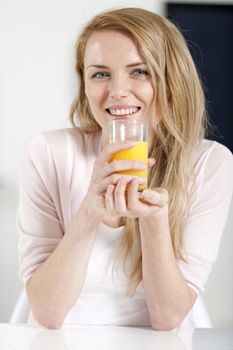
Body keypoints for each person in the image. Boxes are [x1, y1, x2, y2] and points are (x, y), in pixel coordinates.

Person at [17, 7, 233, 330]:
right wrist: (90, 211)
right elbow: (47, 313)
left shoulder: (209, 163)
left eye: (140, 71)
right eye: (100, 73)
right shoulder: (48, 154)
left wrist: (154, 223)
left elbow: (167, 319)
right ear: (85, 85)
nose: (117, 90)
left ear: (171, 81)